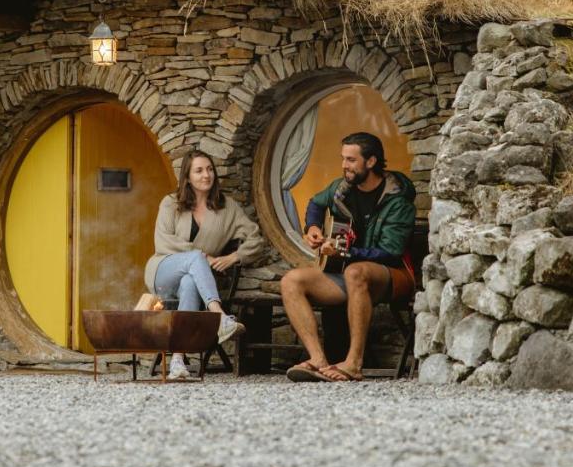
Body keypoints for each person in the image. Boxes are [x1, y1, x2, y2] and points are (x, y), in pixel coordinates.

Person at [280, 132, 417, 382]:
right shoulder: (340, 188)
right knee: (291, 281)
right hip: (349, 273)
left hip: (394, 275)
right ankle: (318, 359)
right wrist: (312, 229)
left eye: (351, 160)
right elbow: (315, 204)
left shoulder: (399, 202)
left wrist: (346, 252)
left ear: (371, 161)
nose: (344, 165)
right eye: (343, 159)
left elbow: (391, 251)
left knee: (356, 272)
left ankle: (354, 362)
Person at [145, 148, 263, 380]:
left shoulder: (227, 207)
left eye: (209, 170)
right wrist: (200, 255)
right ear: (187, 177)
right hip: (163, 270)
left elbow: (256, 239)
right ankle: (219, 316)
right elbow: (162, 241)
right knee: (196, 259)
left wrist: (234, 257)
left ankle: (178, 361)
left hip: (196, 281)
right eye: (198, 171)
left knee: (190, 281)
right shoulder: (170, 203)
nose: (206, 175)